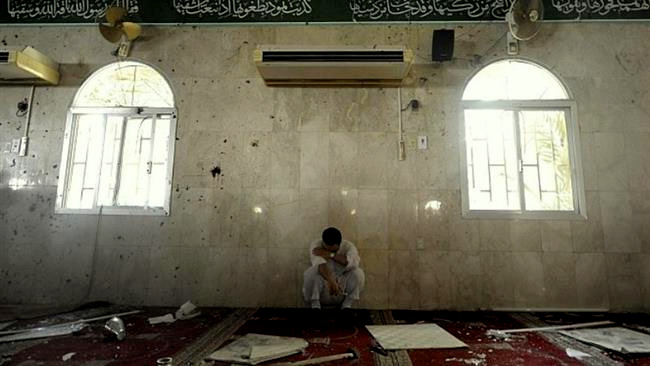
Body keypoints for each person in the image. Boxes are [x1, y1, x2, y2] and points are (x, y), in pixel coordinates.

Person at [302, 227, 365, 310]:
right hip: (323, 285)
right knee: (310, 272)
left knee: (358, 273)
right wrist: (331, 280)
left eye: (332, 250)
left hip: (342, 288)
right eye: (325, 249)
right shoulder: (316, 245)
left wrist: (330, 254)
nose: (327, 250)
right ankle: (315, 306)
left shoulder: (348, 246)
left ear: (339, 245)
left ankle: (347, 305)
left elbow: (352, 263)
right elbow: (320, 264)